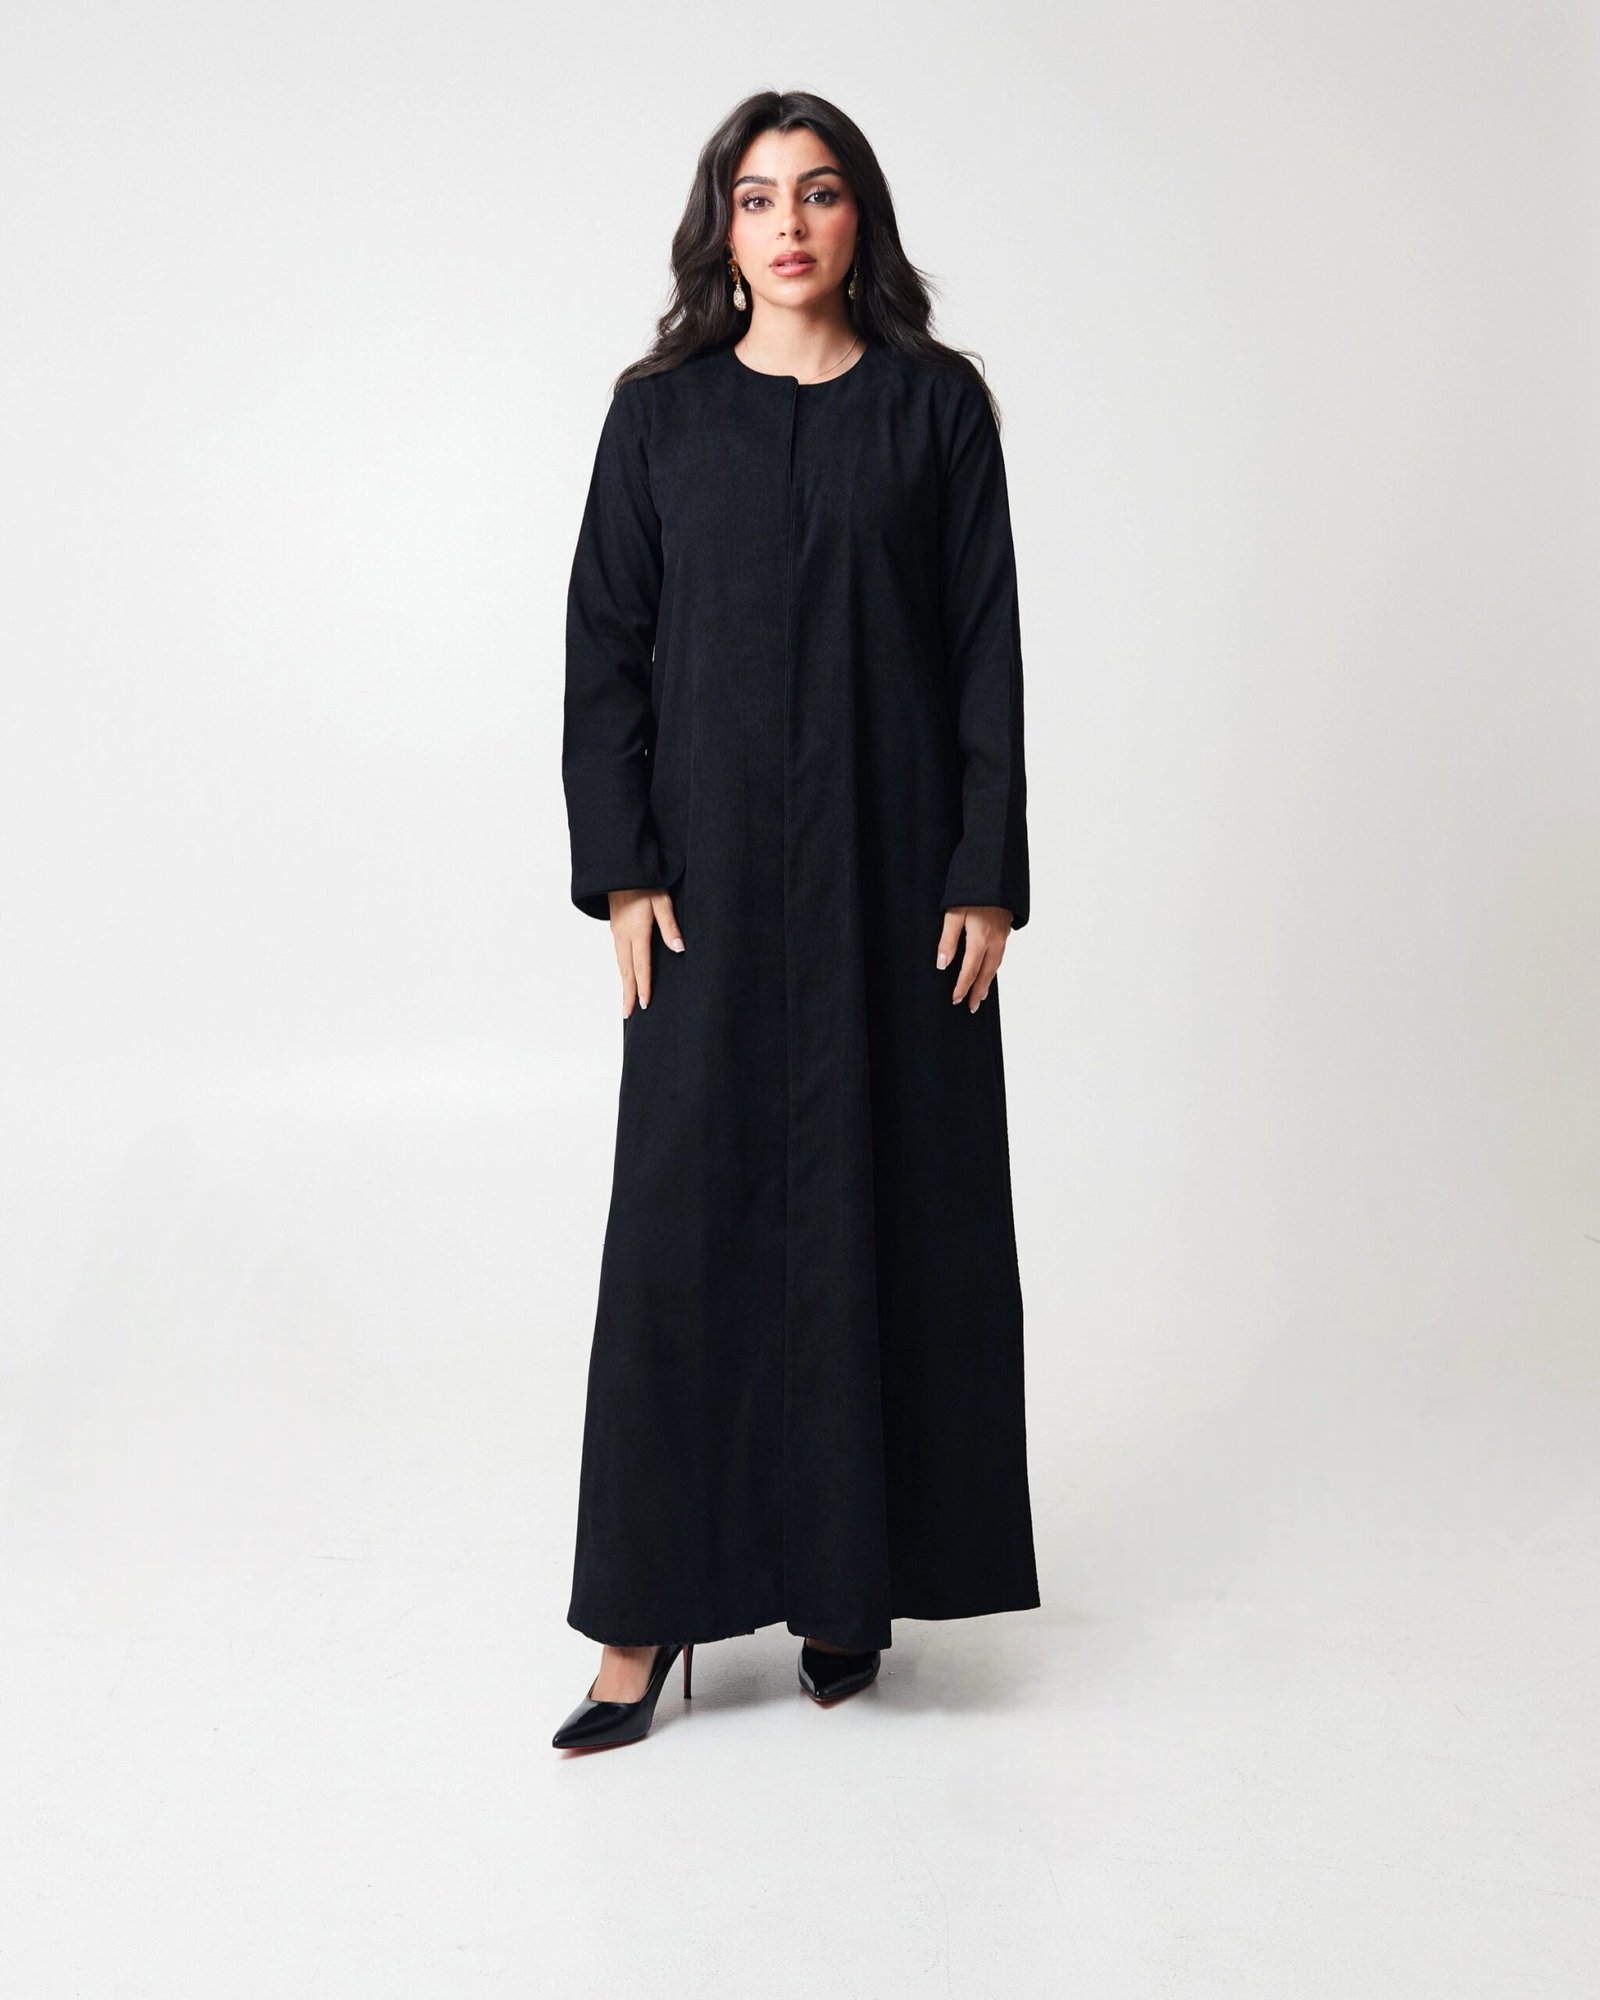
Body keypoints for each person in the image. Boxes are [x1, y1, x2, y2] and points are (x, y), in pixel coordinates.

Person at [553, 89, 1039, 1752]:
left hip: (898, 892)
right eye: (757, 198)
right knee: (682, 1237)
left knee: (886, 1212)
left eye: (819, 194)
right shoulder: (660, 420)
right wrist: (623, 869)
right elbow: (604, 652)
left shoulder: (935, 410)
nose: (789, 225)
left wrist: (983, 869)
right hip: (708, 901)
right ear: (723, 228)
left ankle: (847, 1586)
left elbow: (984, 647)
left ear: (859, 220)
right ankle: (640, 1623)